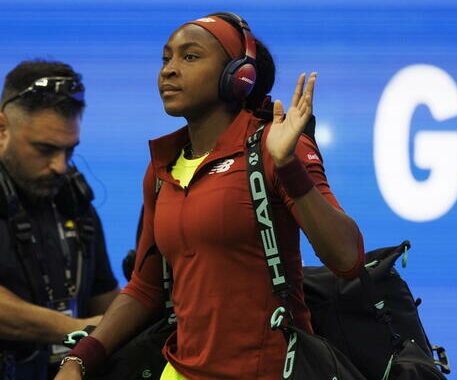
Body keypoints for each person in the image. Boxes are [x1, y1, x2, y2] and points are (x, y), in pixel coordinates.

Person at [56, 11, 364, 380]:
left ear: (238, 76)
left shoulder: (275, 146)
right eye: (166, 57)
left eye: (189, 56)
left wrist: (288, 166)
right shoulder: (161, 168)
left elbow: (348, 259)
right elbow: (146, 286)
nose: (168, 70)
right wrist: (79, 358)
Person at [0, 60, 120, 379]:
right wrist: (77, 331)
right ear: (2, 129)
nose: (60, 166)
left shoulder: (76, 204)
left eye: (69, 151)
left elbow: (104, 301)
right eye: (45, 149)